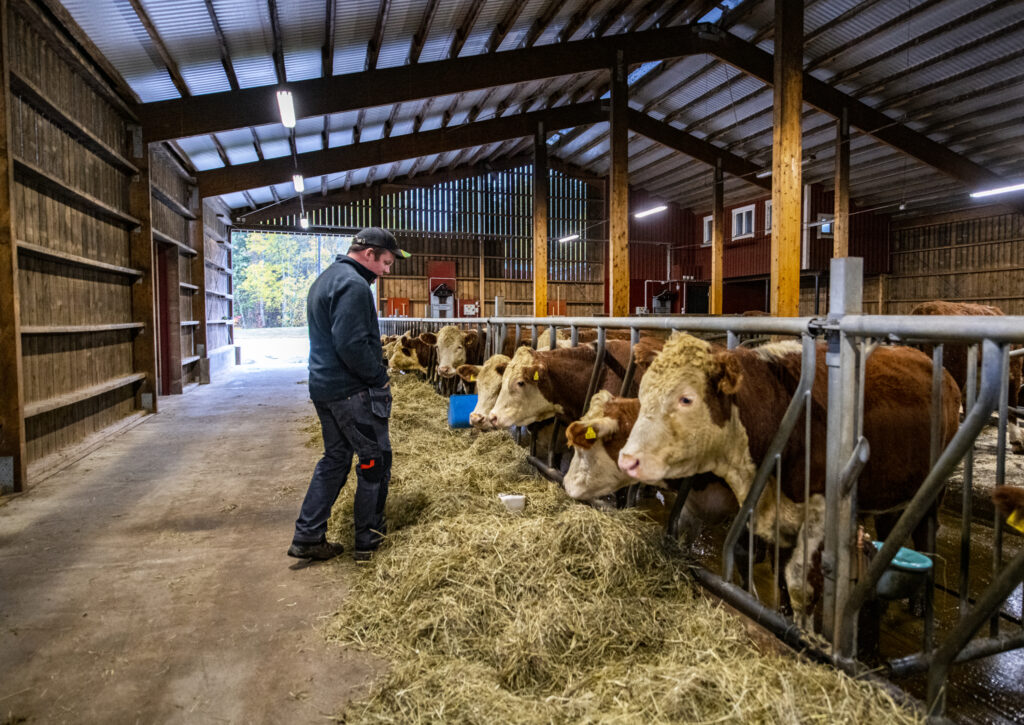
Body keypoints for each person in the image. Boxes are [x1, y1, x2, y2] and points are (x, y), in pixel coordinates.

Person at [288, 227, 410, 563]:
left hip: (325, 387)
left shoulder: (328, 278)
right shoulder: (354, 287)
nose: (387, 270)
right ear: (368, 254)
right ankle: (368, 541)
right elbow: (351, 344)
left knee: (336, 459)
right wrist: (379, 378)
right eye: (385, 262)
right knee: (374, 461)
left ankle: (308, 535)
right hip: (350, 392)